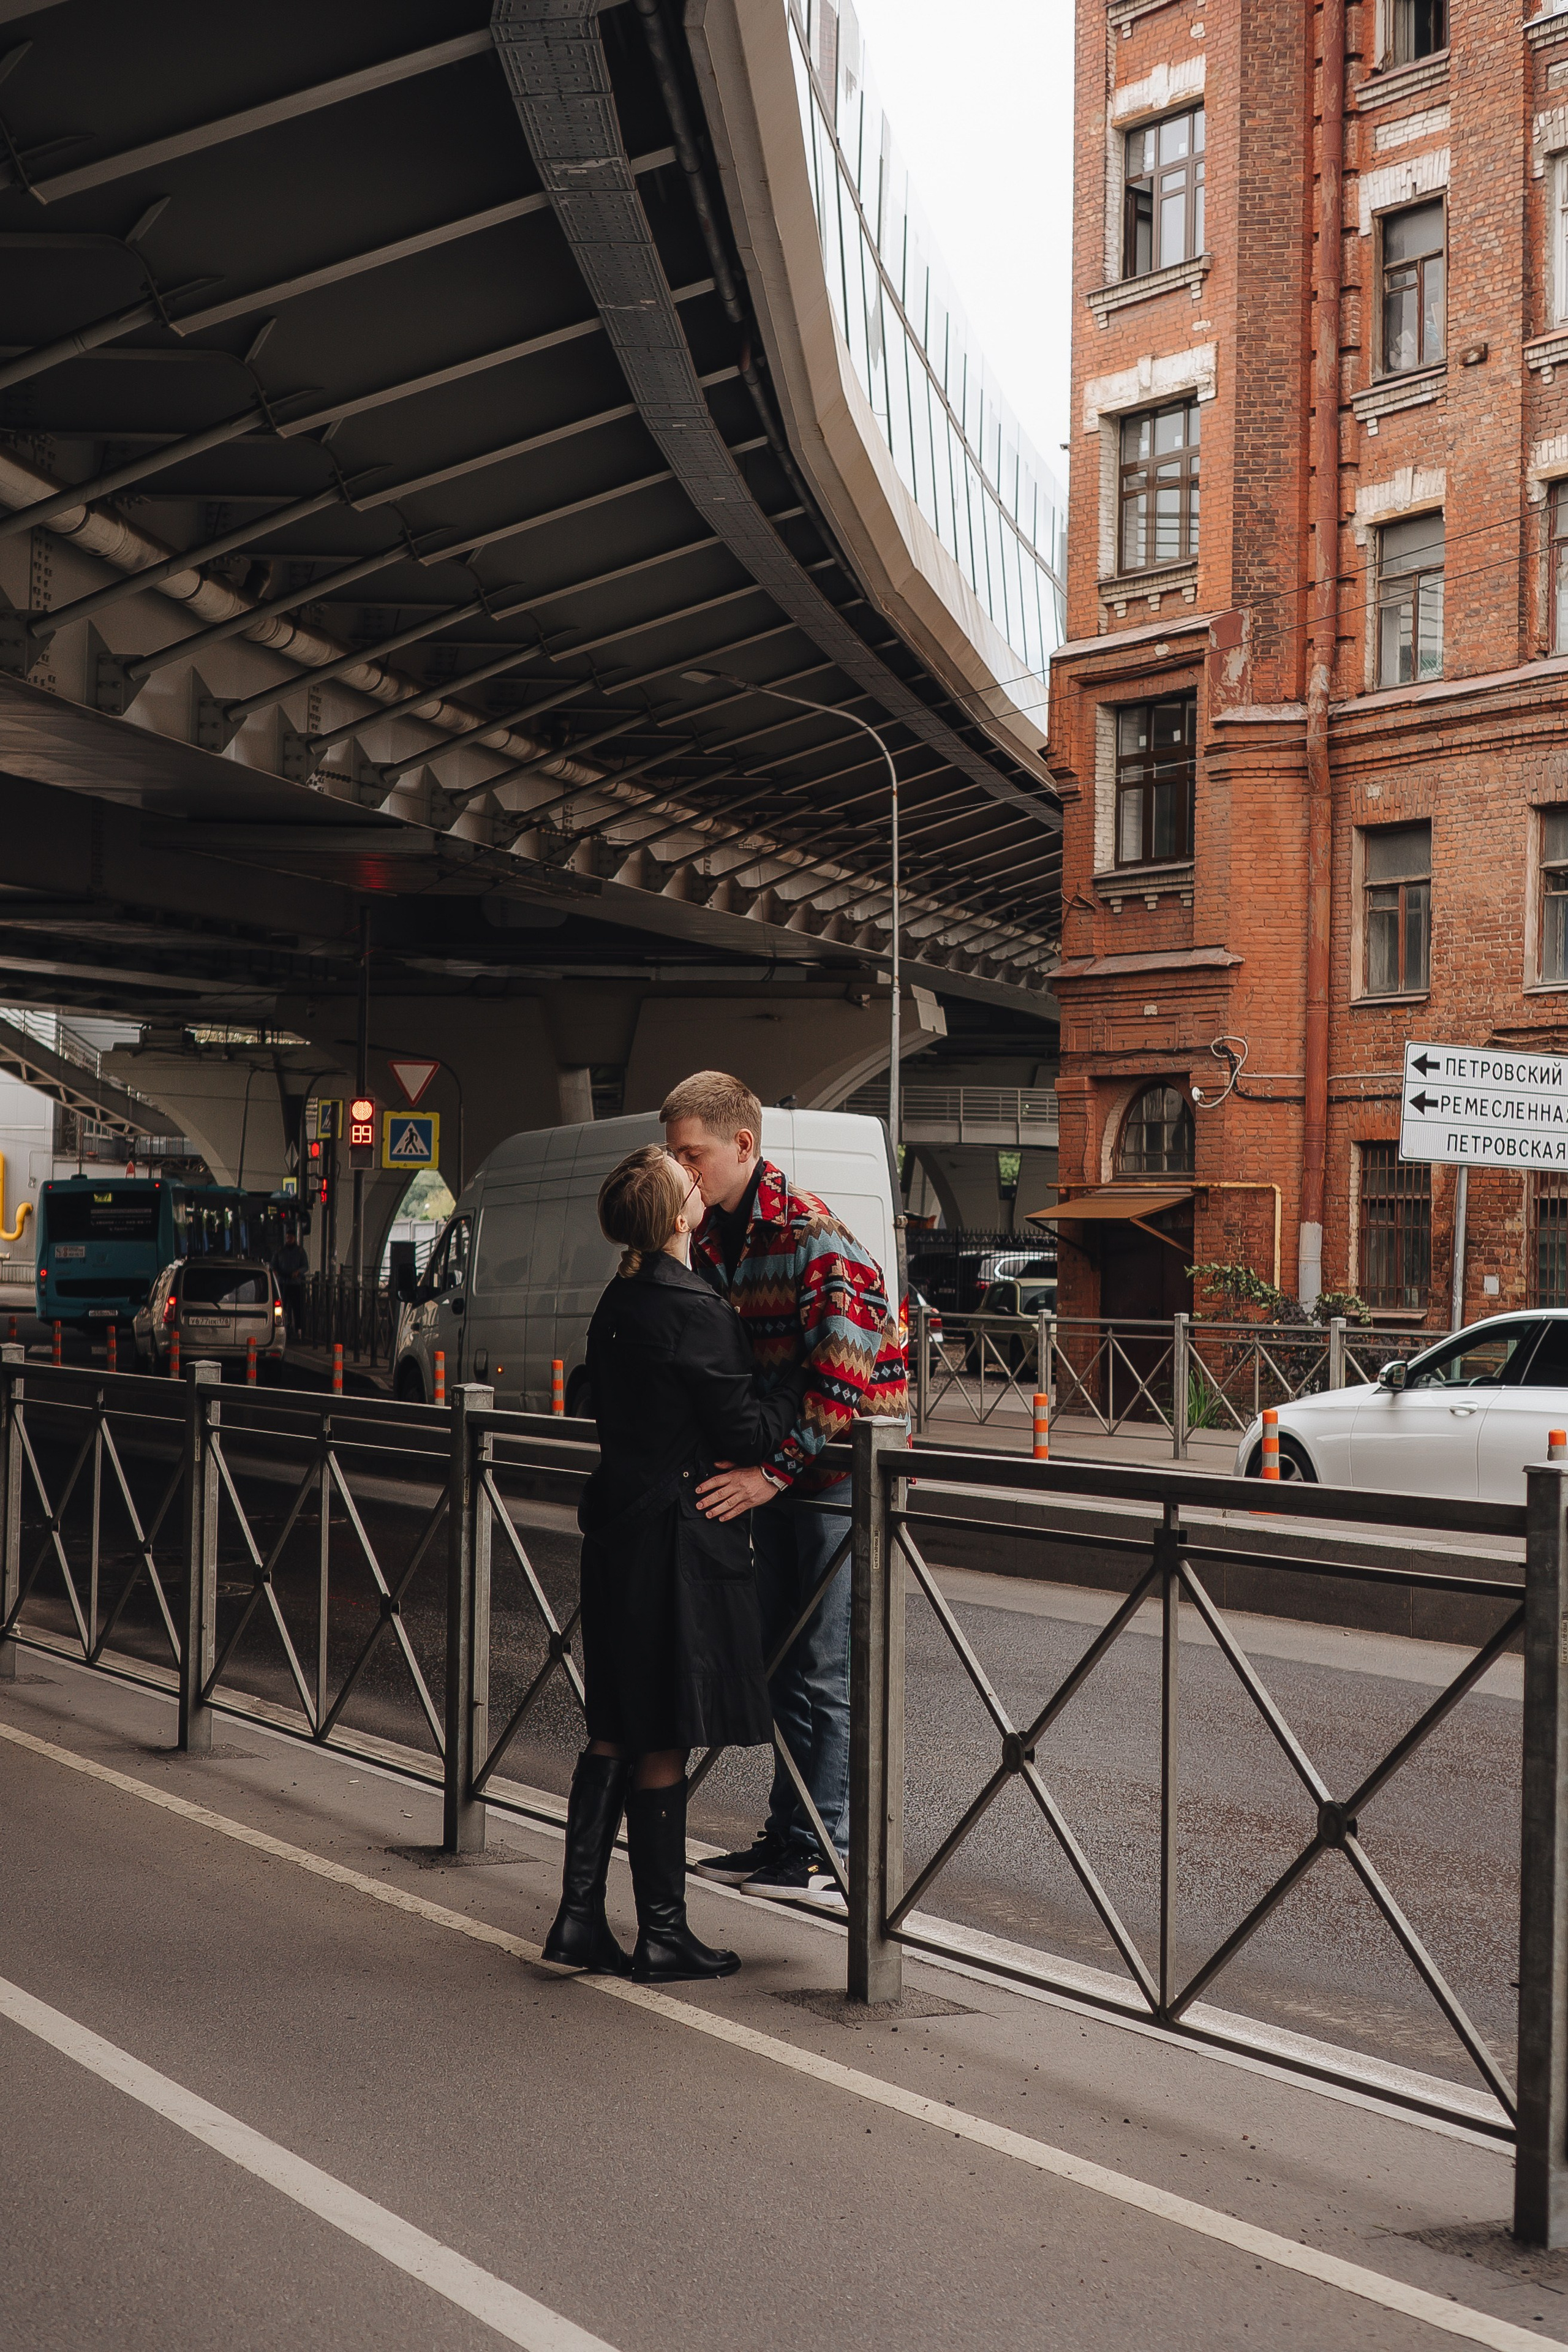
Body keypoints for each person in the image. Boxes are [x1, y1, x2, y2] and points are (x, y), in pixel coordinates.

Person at [543, 1145, 806, 1985]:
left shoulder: (620, 1299)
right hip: (677, 1545)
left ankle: (581, 1917)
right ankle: (662, 1934)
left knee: (617, 1724)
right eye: (687, 1181)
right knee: (664, 1732)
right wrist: (796, 1384)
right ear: (678, 1216)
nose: (702, 1184)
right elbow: (744, 1435)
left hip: (619, 1534)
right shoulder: (693, 1307)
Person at [662, 1070, 907, 1913]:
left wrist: (769, 1475)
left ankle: (829, 1850)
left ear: (742, 1145)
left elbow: (841, 1382)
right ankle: (790, 1837)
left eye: (691, 1154)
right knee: (779, 1662)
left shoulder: (810, 1235)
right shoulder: (717, 1233)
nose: (680, 1170)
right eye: (672, 1155)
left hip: (840, 1480)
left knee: (821, 1668)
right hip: (793, 1473)